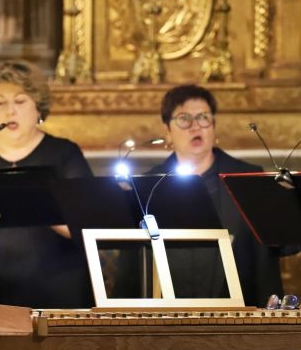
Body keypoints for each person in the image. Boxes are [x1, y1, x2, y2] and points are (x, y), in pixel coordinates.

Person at [0, 60, 94, 324]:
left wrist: (33, 202)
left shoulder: (64, 154)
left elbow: (87, 226)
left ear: (38, 108)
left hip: (54, 291)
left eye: (20, 101)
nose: (9, 111)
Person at [114, 84, 283, 305]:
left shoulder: (246, 177)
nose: (196, 127)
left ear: (213, 125)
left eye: (203, 117)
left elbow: (264, 255)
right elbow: (133, 262)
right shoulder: (147, 185)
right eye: (184, 119)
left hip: (240, 306)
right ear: (168, 130)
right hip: (169, 306)